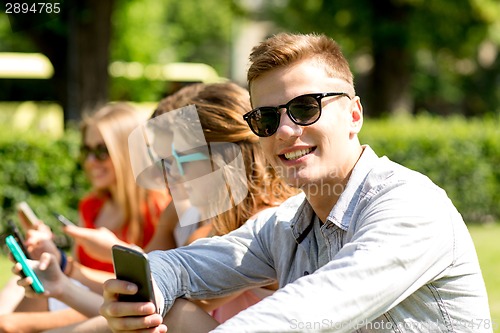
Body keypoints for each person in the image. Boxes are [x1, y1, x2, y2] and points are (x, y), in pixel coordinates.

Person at [100, 32, 492, 333]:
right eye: (267, 119)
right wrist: (138, 294)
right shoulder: (285, 225)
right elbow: (183, 267)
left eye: (306, 108)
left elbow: (317, 307)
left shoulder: (411, 206)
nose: (285, 131)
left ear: (354, 115)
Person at [11, 82, 296, 333]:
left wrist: (71, 278)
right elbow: (140, 294)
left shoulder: (263, 224)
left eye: (174, 160)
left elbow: (152, 309)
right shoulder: (183, 211)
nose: (164, 175)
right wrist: (64, 278)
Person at [0, 103, 169, 332]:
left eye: (101, 151)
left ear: (127, 152)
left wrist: (69, 265)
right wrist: (53, 256)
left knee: (7, 323)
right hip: (80, 296)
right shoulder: (91, 206)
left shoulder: (157, 209)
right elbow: (76, 270)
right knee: (15, 291)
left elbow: (152, 287)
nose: (90, 161)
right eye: (86, 150)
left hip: (114, 306)